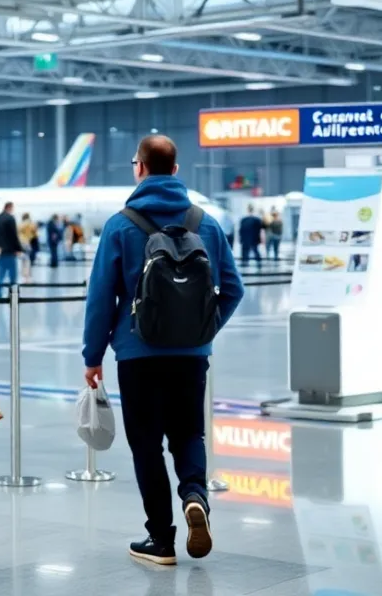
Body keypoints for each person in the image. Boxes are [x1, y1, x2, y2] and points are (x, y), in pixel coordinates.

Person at [82, 135, 244, 567]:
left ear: (139, 168)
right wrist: (204, 331)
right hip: (192, 354)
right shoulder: (204, 222)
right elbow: (233, 288)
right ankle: (194, 495)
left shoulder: (121, 225)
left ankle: (161, 540)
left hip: (138, 354)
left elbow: (101, 298)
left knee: (146, 445)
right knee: (189, 433)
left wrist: (92, 355)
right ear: (175, 171)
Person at [0, 202, 24, 299]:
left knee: (0, 275)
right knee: (13, 276)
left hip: (0, 250)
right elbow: (14, 235)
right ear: (9, 207)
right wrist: (18, 248)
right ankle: (14, 296)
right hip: (10, 250)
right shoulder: (10, 218)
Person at [17, 213, 38, 283]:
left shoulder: (20, 224)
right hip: (27, 243)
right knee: (27, 260)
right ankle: (27, 278)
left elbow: (17, 233)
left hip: (20, 243)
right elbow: (35, 234)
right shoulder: (31, 224)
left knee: (23, 260)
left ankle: (23, 277)